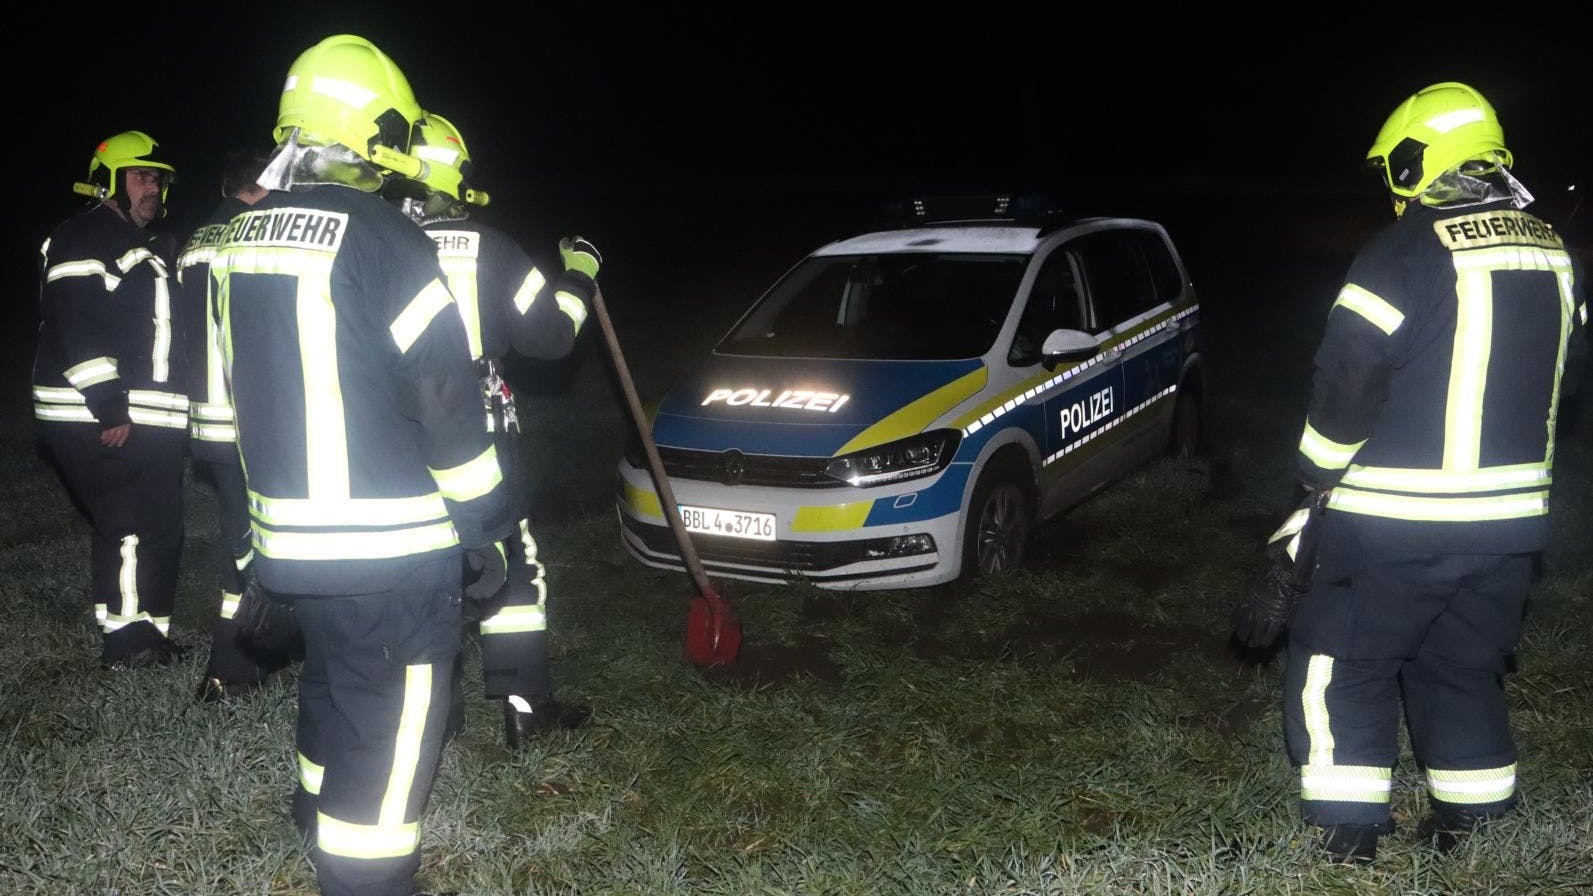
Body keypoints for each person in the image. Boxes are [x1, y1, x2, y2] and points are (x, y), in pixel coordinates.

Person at [1246, 81, 1588, 863]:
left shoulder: (1401, 250)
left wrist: (1312, 477)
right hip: (1508, 528)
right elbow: (1564, 378)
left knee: (1340, 665)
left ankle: (1344, 838)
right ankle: (1476, 830)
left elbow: (1348, 374)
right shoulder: (1549, 247)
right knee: (1461, 668)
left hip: (1391, 523)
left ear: (1411, 162)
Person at [208, 34, 512, 896]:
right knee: (390, 736)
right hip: (391, 554)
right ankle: (364, 878)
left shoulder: (238, 236)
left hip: (287, 544)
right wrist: (486, 529)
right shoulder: (389, 241)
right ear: (377, 134)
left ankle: (311, 812)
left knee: (334, 684)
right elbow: (446, 404)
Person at [388, 110, 596, 748]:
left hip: (392, 427)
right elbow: (552, 337)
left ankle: (430, 713)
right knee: (509, 557)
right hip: (477, 423)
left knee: (423, 558)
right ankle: (524, 708)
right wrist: (580, 276)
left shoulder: (373, 245)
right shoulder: (492, 246)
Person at [31, 130, 190, 670]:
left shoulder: (146, 244)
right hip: (95, 412)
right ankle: (126, 641)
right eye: (143, 177)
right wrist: (109, 405)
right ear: (110, 182)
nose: (155, 189)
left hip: (150, 411)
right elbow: (74, 327)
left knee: (161, 523)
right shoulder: (83, 236)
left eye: (160, 180)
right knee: (128, 520)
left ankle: (150, 630)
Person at [178, 147, 302, 702]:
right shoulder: (256, 236)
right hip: (255, 419)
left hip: (208, 420)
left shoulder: (194, 240)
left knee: (239, 544)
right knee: (274, 545)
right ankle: (260, 651)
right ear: (264, 185)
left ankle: (232, 667)